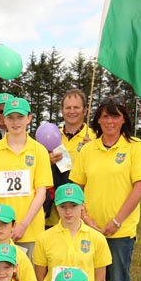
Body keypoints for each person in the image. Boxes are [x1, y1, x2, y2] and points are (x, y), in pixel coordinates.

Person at [69, 97, 141, 281]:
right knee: (95, 280)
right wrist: (85, 217)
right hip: (90, 229)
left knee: (118, 280)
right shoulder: (88, 149)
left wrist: (116, 221)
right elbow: (77, 187)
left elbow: (140, 185)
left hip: (120, 230)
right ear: (97, 120)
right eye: (104, 116)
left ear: (124, 118)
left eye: (115, 115)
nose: (109, 121)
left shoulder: (135, 146)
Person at [0, 96, 53, 258]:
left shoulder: (39, 151)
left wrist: (23, 225)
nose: (15, 122)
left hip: (30, 230)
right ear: (4, 120)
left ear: (29, 118)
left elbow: (41, 193)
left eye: (20, 117)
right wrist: (1, 223)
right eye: (10, 117)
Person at [33, 184, 111, 281]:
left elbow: (100, 279)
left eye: (73, 206)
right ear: (56, 207)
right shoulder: (44, 238)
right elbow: (40, 276)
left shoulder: (97, 238)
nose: (68, 211)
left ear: (82, 206)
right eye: (63, 207)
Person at [46, 89, 93, 228]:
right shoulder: (50, 136)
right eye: (68, 107)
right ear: (62, 110)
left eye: (76, 107)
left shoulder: (94, 137)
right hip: (54, 217)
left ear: (85, 110)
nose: (72, 111)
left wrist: (93, 150)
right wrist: (47, 161)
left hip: (84, 214)